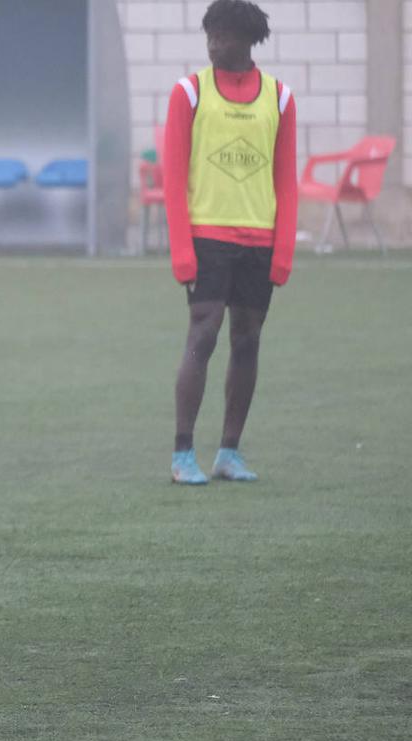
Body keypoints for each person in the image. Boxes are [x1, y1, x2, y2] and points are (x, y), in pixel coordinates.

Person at [163, 0, 297, 485]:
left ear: (249, 40)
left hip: (259, 239)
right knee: (204, 331)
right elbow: (173, 177)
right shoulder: (189, 92)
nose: (215, 43)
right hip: (206, 236)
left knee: (248, 339)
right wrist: (182, 252)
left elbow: (288, 181)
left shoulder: (279, 98)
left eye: (224, 35)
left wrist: (282, 253)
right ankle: (182, 455)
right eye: (210, 34)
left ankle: (228, 452)